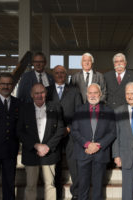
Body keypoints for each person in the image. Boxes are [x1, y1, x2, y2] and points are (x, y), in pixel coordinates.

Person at [17, 83, 65, 200]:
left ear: (46, 93)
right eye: (36, 93)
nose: (39, 95)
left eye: (42, 92)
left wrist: (48, 146)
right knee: (30, 186)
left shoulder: (55, 107)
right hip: (31, 152)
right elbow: (19, 131)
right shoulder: (24, 108)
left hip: (50, 153)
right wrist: (35, 145)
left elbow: (60, 129)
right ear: (31, 95)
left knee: (50, 185)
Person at [71, 83, 116, 200]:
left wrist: (98, 145)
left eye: (95, 92)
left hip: (100, 153)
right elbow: (75, 131)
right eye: (90, 93)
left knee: (98, 188)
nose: (92, 95)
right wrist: (87, 144)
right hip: (83, 152)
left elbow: (112, 132)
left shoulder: (109, 111)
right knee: (82, 187)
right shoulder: (79, 110)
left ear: (100, 94)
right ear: (86, 95)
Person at [47, 65, 82, 200]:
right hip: (52, 134)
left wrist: (69, 128)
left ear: (66, 75)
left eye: (62, 73)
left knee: (73, 163)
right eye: (57, 73)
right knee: (55, 162)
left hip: (70, 132)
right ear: (53, 75)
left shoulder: (74, 91)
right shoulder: (47, 91)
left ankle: (77, 193)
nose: (60, 75)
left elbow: (79, 113)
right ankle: (56, 193)